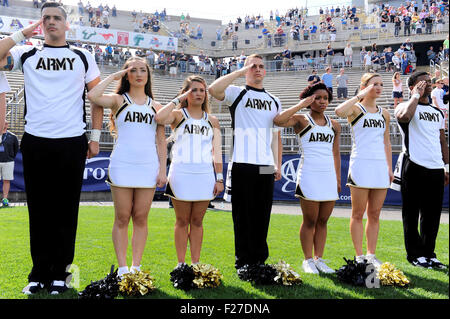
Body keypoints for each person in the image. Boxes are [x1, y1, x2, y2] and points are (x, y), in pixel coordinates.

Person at [0, 2, 102, 295]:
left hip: (72, 141)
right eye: (46, 18)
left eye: (57, 17)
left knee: (66, 209)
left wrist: (94, 137)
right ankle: (38, 273)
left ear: (67, 24)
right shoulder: (26, 53)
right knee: (40, 210)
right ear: (40, 24)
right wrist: (23, 34)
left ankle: (61, 273)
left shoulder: (84, 56)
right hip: (36, 140)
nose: (52, 22)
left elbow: (95, 97)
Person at [87, 57, 167, 278]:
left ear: (148, 76)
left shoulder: (156, 107)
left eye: (143, 70)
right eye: (133, 70)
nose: (139, 74)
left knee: (141, 217)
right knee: (122, 217)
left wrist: (162, 170)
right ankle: (122, 268)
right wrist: (113, 76)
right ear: (126, 75)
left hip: (148, 165)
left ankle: (136, 267)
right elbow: (93, 96)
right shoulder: (118, 100)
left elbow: (161, 141)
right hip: (122, 163)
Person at [208, 54, 282, 271]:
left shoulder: (274, 100)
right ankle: (243, 261)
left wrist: (276, 164)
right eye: (253, 66)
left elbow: (275, 135)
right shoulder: (237, 92)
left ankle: (259, 261)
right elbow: (213, 90)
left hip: (265, 165)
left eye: (260, 66)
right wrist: (241, 71)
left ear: (265, 70)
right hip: (242, 163)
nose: (257, 69)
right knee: (242, 215)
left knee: (262, 214)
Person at [155, 75, 223, 267]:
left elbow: (216, 152)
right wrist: (179, 99)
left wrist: (219, 178)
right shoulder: (178, 115)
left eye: (202, 90)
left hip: (204, 175)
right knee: (182, 220)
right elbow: (159, 118)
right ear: (186, 93)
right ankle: (181, 264)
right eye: (194, 90)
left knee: (198, 221)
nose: (199, 94)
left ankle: (195, 263)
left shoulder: (213, 120)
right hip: (181, 173)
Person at [273, 82, 341, 274]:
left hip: (328, 175)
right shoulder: (301, 120)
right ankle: (307, 260)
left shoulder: (334, 125)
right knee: (310, 220)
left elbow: (336, 154)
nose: (322, 102)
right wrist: (302, 104)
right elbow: (278, 121)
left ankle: (319, 259)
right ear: (310, 99)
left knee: (323, 221)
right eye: (317, 98)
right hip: (309, 174)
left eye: (325, 98)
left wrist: (337, 178)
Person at [335, 73, 393, 268]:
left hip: (379, 167)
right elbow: (339, 111)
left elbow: (386, 142)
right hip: (360, 164)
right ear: (364, 86)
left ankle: (371, 254)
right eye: (373, 84)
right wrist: (360, 94)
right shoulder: (356, 108)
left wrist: (389, 167)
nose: (378, 87)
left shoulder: (384, 113)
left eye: (381, 84)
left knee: (375, 213)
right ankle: (359, 256)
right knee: (358, 213)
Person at [393, 71, 449, 269]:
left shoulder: (437, 112)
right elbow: (405, 117)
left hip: (435, 168)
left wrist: (446, 166)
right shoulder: (404, 106)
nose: (428, 83)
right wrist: (415, 95)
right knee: (411, 213)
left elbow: (442, 141)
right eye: (422, 81)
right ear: (412, 87)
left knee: (432, 215)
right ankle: (415, 255)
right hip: (414, 164)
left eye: (429, 81)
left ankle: (429, 254)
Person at [0, 120, 18, 207]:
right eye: (3, 123)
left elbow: (16, 149)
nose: (5, 125)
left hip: (8, 161)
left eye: (7, 123)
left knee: (6, 180)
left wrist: (10, 157)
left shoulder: (12, 136)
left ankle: (5, 199)